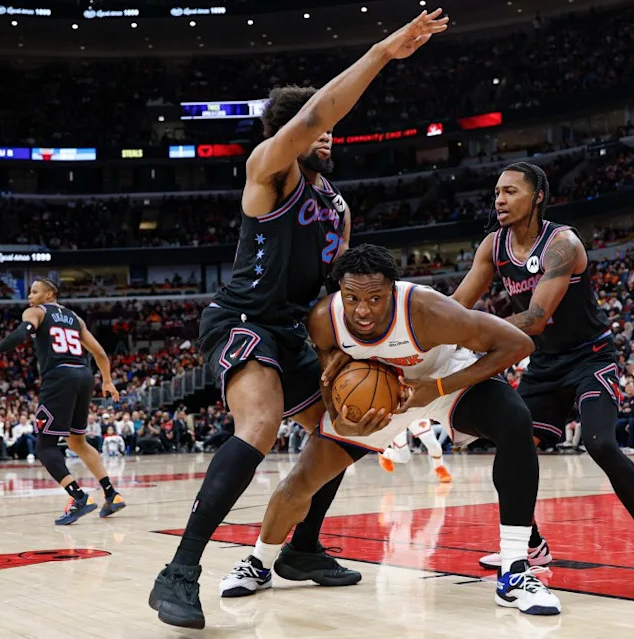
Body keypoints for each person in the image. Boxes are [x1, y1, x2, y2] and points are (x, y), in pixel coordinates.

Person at [150, 10, 451, 630]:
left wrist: (357, 350)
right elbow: (315, 115)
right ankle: (179, 570)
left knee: (354, 423)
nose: (330, 137)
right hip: (242, 317)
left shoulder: (336, 204)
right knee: (259, 423)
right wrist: (382, 53)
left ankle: (303, 546)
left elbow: (335, 287)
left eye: (333, 132)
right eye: (320, 129)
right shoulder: (269, 169)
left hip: (294, 328)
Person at [229, 244, 560, 615]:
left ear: (393, 290)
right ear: (340, 292)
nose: (363, 309)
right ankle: (259, 562)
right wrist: (340, 418)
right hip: (382, 391)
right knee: (304, 477)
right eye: (352, 297)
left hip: (443, 377)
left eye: (375, 298)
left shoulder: (429, 311)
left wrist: (433, 390)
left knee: (514, 419)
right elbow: (329, 376)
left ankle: (515, 570)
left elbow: (518, 343)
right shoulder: (324, 319)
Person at [451, 162, 634, 593]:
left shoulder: (562, 243)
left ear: (538, 196)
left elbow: (537, 318)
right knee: (512, 445)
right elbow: (458, 305)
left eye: (510, 192)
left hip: (590, 358)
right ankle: (531, 545)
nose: (499, 200)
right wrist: (421, 328)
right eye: (496, 193)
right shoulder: (493, 245)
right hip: (544, 366)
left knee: (600, 443)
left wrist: (475, 334)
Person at [0, 278, 127, 522]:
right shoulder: (76, 319)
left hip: (59, 377)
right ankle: (112, 494)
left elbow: (21, 333)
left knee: (44, 447)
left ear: (49, 295)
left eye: (34, 292)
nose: (29, 296)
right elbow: (98, 353)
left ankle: (79, 497)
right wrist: (107, 381)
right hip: (83, 376)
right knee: (77, 442)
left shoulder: (36, 312)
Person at [377, 418, 453, 483]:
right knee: (404, 458)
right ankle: (384, 453)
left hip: (415, 409)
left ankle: (439, 467)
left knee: (432, 443)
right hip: (396, 416)